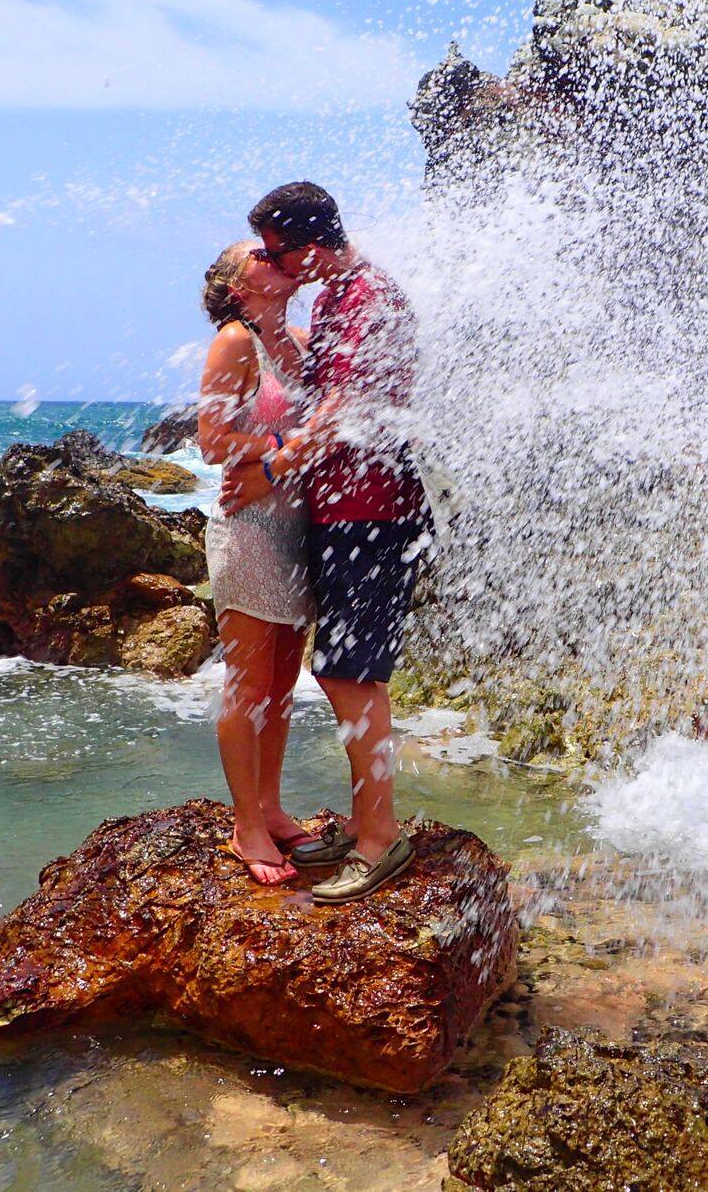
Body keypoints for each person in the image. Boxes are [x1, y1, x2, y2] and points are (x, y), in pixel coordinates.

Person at [219, 182, 427, 905]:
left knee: (348, 673)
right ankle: (371, 824)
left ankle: (378, 839)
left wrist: (268, 468)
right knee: (345, 668)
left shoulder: (365, 298)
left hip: (374, 510)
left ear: (308, 248)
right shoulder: (335, 297)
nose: (271, 264)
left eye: (276, 251)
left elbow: (341, 409)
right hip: (343, 512)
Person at [195, 240, 322, 886]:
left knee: (280, 683)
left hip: (300, 528)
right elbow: (213, 441)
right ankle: (246, 822)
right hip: (248, 526)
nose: (275, 255)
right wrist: (282, 442)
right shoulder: (235, 342)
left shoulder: (298, 341)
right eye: (260, 254)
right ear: (239, 286)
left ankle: (270, 803)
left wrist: (289, 451)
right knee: (247, 684)